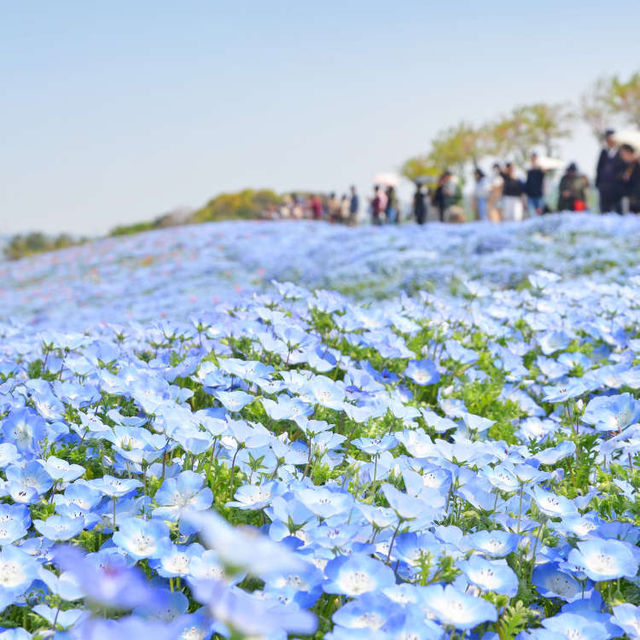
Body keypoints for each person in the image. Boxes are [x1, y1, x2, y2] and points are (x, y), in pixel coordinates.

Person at [596, 129, 626, 214]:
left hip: (617, 187)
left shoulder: (621, 152)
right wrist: (598, 183)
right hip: (604, 186)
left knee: (617, 209)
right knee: (604, 209)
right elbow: (598, 168)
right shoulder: (603, 152)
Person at [620, 144, 640, 213]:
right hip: (628, 197)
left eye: (624, 154)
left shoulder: (636, 164)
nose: (623, 157)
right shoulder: (627, 166)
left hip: (636, 197)